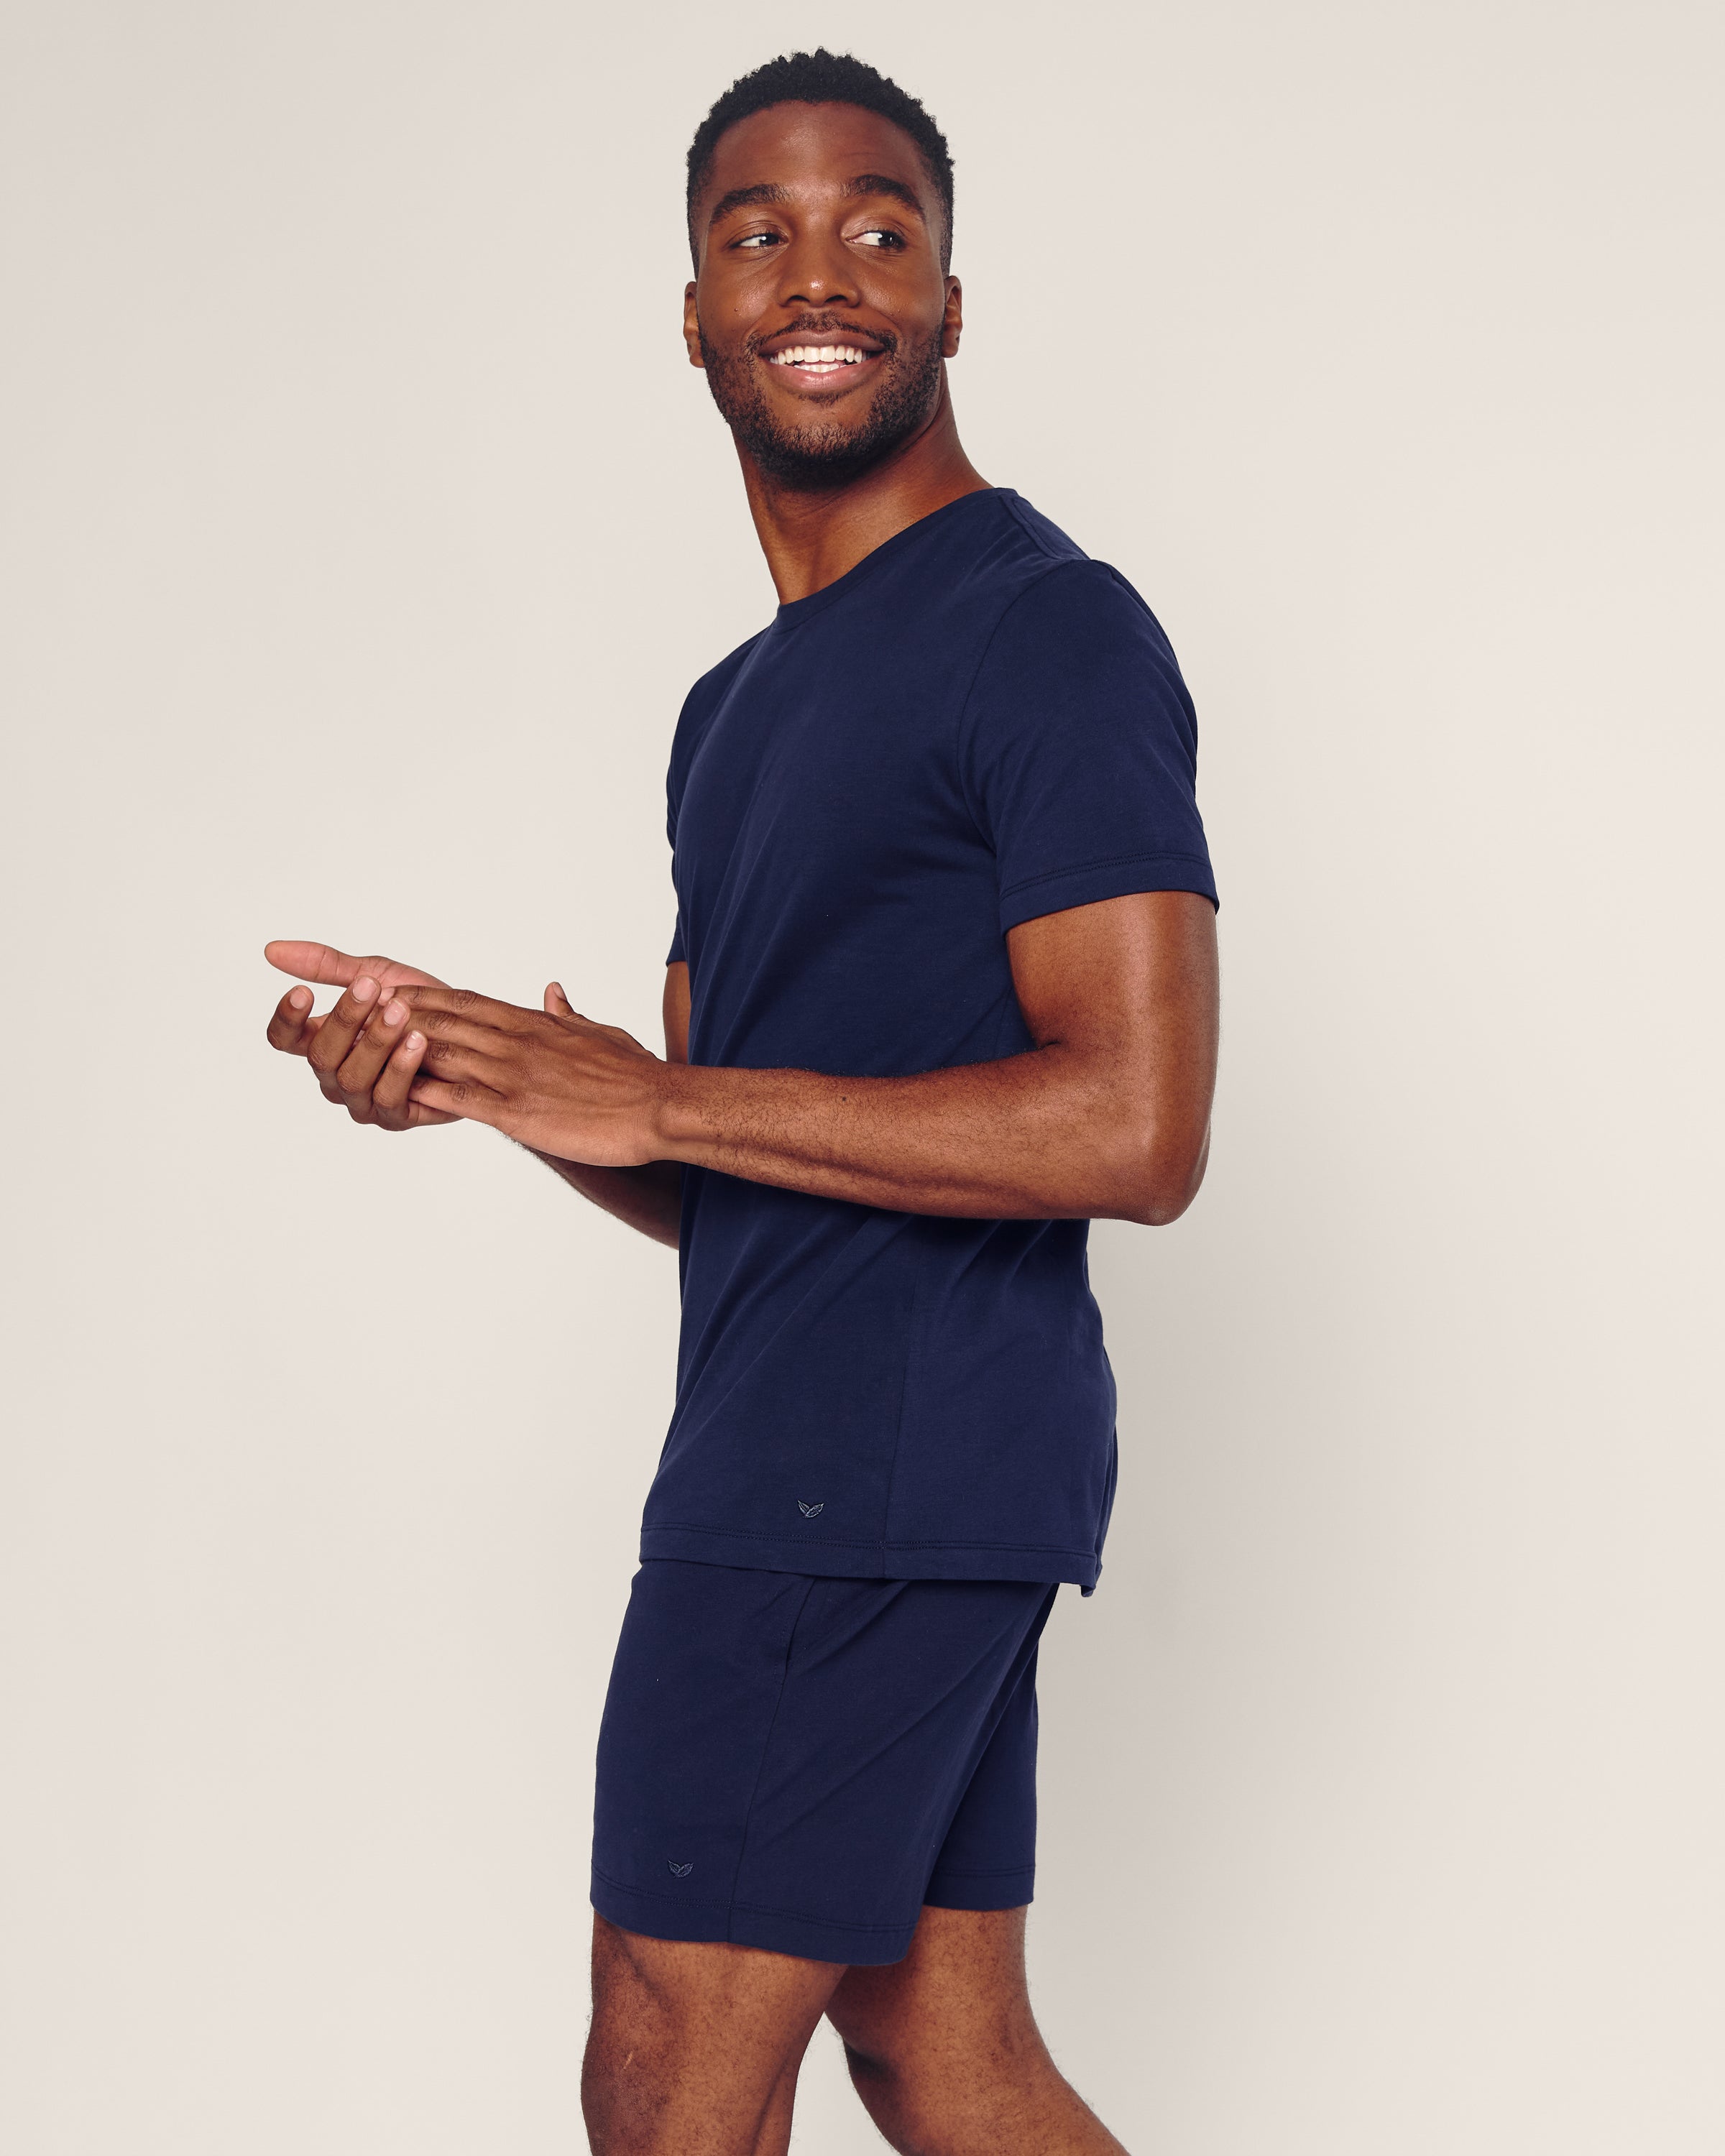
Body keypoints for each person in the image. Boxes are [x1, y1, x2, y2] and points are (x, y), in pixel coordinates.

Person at [264, 48, 1219, 2156]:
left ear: (955, 302)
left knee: (667, 2049)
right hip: (818, 1430)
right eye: (756, 231)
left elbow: (1138, 1127)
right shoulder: (735, 708)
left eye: (884, 228)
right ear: (691, 308)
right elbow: (720, 1163)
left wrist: (663, 1098)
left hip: (873, 1459)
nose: (823, 271)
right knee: (941, 2051)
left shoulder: (1046, 631)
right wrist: (502, 1086)